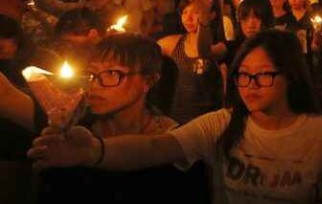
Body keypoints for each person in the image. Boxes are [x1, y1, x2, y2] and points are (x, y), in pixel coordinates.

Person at [29, 30, 322, 204]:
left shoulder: (320, 132)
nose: (250, 85)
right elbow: (156, 148)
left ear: (291, 77)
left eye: (263, 76)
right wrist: (95, 150)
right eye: (243, 75)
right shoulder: (222, 123)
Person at [35, 34, 209, 203]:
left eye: (112, 73)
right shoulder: (77, 135)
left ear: (149, 81)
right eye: (92, 74)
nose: (95, 86)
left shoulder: (175, 144)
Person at [158, 0, 224, 124]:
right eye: (184, 12)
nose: (188, 18)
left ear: (212, 15)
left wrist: (203, 23)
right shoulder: (174, 43)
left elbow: (203, 51)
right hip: (178, 118)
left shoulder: (220, 45)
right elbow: (145, 50)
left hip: (208, 120)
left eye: (195, 12)